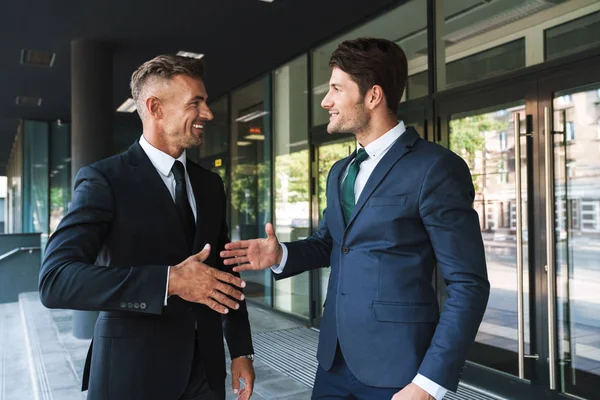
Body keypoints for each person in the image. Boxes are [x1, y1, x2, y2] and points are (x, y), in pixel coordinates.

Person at [220, 38, 490, 400]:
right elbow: (329, 243)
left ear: (373, 95)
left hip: (401, 370)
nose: (325, 101)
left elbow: (469, 284)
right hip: (333, 361)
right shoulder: (340, 171)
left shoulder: (435, 168)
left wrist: (429, 383)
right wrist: (280, 255)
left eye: (335, 89)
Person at [39, 55, 255, 400]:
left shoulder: (210, 184)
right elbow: (56, 281)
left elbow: (224, 269)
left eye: (206, 102)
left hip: (206, 375)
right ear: (155, 108)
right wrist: (169, 281)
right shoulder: (104, 179)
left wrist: (242, 351)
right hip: (132, 375)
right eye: (195, 103)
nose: (208, 114)